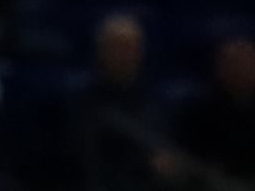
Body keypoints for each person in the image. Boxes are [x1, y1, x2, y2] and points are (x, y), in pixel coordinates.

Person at [76, 14, 182, 191]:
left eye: (129, 48)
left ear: (140, 53)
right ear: (100, 52)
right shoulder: (82, 102)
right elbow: (87, 159)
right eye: (115, 47)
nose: (122, 55)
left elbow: (167, 149)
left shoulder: (156, 101)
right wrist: (145, 165)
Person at [175, 35, 255, 190]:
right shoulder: (199, 116)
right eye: (236, 64)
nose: (243, 70)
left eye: (250, 64)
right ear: (220, 69)